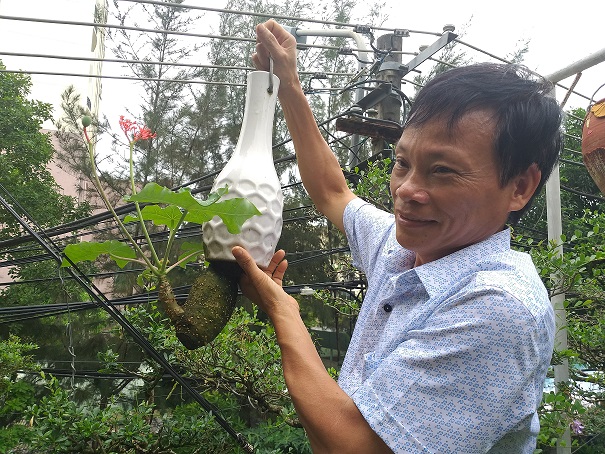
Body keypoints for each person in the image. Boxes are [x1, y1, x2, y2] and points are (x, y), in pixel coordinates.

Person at [231, 19, 563, 454]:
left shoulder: (499, 308)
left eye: (442, 170)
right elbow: (333, 192)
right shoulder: (405, 247)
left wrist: (283, 313)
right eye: (402, 163)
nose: (406, 191)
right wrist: (290, 86)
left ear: (519, 187)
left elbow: (355, 447)